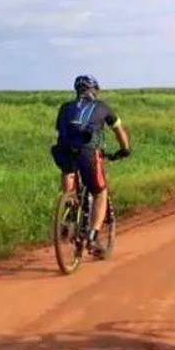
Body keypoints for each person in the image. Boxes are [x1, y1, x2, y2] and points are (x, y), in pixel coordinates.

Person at [50, 75, 132, 255]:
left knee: (68, 171)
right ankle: (93, 237)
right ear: (94, 90)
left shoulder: (65, 107)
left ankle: (69, 208)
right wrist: (125, 149)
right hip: (88, 152)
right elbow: (119, 130)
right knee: (100, 192)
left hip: (63, 150)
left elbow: (60, 131)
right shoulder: (102, 107)